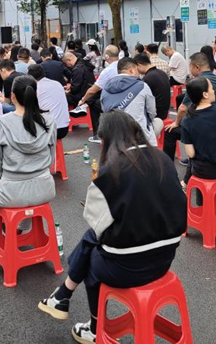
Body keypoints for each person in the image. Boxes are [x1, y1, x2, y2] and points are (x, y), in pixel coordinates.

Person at [38, 112, 187, 344]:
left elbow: (96, 225)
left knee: (91, 255)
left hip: (125, 268)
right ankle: (62, 295)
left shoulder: (111, 172)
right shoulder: (162, 159)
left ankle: (92, 325)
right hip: (164, 258)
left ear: (107, 140)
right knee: (95, 241)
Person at [0, 75, 57, 242]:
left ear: (12, 96)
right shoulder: (49, 121)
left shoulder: (2, 123)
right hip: (45, 188)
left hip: (11, 191)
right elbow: (51, 159)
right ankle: (21, 228)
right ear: (35, 93)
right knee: (25, 199)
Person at [162, 52, 216, 162]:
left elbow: (183, 108)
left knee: (169, 132)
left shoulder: (197, 82)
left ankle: (168, 169)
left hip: (203, 128)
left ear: (197, 67)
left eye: (190, 66)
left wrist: (176, 123)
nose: (189, 69)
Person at [101, 58, 158, 146]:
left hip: (115, 137)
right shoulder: (142, 86)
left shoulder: (105, 89)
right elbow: (152, 112)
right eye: (137, 70)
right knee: (157, 123)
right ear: (131, 70)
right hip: (140, 137)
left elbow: (104, 111)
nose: (138, 74)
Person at [76, 45, 121, 144]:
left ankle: (98, 135)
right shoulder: (124, 66)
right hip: (126, 99)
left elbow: (93, 90)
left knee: (93, 103)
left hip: (114, 103)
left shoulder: (108, 71)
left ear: (107, 56)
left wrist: (83, 100)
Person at [28, 64, 71, 140]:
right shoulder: (57, 83)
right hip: (64, 128)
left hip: (48, 130)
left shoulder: (35, 88)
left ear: (30, 77)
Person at [135, 53, 170, 135]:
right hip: (165, 111)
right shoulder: (162, 73)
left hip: (157, 115)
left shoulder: (147, 78)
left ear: (139, 65)